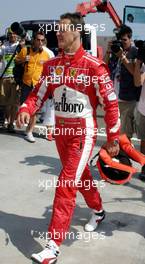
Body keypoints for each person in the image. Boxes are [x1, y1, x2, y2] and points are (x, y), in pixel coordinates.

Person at [17, 12, 120, 264]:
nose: (58, 33)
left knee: (65, 183)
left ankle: (52, 246)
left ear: (77, 32)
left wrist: (113, 137)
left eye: (63, 29)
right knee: (80, 176)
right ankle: (98, 211)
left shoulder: (94, 66)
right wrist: (25, 109)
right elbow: (37, 96)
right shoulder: (51, 66)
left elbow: (111, 103)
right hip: (62, 135)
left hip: (83, 133)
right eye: (57, 29)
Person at [15, 31, 54, 142]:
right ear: (34, 40)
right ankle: (25, 128)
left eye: (42, 40)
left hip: (38, 86)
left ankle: (29, 131)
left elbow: (50, 71)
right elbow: (16, 60)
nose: (40, 42)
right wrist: (23, 60)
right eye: (38, 39)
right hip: (26, 84)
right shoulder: (25, 50)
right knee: (24, 107)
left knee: (34, 111)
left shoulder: (46, 55)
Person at [104, 25, 141, 139]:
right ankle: (119, 153)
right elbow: (104, 67)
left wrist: (123, 58)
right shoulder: (116, 51)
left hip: (128, 98)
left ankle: (125, 154)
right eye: (120, 40)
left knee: (126, 132)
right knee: (115, 129)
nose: (122, 43)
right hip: (114, 97)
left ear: (130, 39)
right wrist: (108, 52)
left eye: (125, 40)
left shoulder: (136, 53)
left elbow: (135, 73)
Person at [0, 28, 19, 132]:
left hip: (15, 78)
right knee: (6, 104)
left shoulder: (20, 46)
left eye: (14, 34)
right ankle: (8, 121)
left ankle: (11, 124)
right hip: (4, 77)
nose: (13, 36)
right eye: (11, 34)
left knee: (15, 103)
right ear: (8, 35)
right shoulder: (3, 46)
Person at [134, 58, 145, 180]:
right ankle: (144, 167)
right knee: (144, 140)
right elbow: (138, 82)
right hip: (144, 108)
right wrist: (138, 63)